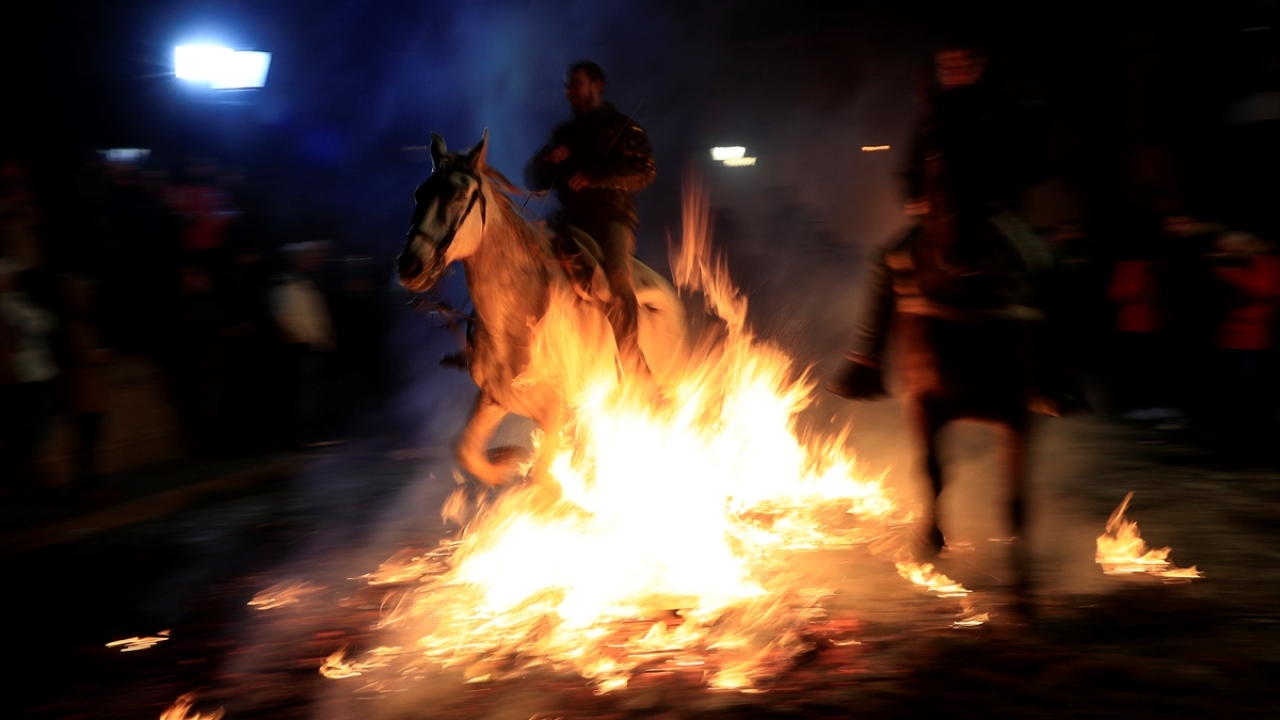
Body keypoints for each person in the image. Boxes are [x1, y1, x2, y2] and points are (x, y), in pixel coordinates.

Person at [829, 41, 1062, 410]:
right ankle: (867, 360)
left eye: (960, 63)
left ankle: (1049, 377)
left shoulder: (1008, 112)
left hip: (997, 215)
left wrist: (1000, 181)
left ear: (979, 66)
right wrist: (915, 196)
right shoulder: (932, 118)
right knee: (884, 259)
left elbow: (1037, 163)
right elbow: (910, 169)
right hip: (943, 216)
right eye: (945, 65)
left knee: (1043, 264)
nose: (951, 71)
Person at [525, 60, 657, 380]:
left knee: (617, 277)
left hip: (613, 218)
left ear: (596, 86)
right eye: (568, 85)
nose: (570, 91)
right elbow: (535, 182)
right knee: (524, 253)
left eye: (577, 84)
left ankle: (633, 364)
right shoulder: (563, 134)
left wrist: (594, 179)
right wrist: (547, 159)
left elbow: (645, 171)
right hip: (570, 220)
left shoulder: (622, 127)